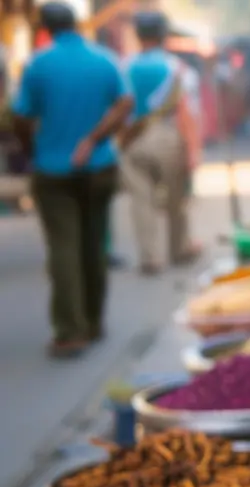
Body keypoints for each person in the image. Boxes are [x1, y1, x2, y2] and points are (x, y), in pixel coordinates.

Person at [11, 2, 131, 358]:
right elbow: (125, 103)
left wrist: (31, 147)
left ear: (44, 28)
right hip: (100, 166)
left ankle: (70, 330)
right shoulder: (104, 59)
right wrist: (95, 139)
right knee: (94, 244)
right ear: (77, 24)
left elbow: (20, 115)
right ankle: (93, 322)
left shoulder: (38, 65)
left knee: (64, 248)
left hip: (53, 168)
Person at [120, 11, 201, 276]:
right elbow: (185, 112)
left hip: (132, 139)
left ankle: (150, 257)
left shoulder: (124, 66)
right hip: (167, 136)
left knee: (141, 201)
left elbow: (117, 108)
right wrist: (193, 150)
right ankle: (179, 249)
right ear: (164, 35)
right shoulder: (177, 68)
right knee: (176, 198)